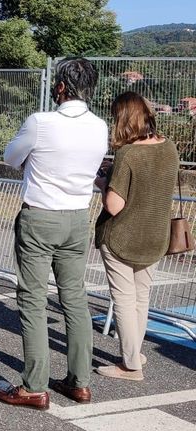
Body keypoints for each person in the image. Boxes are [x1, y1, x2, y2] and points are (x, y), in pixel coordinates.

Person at [0, 58, 107, 410]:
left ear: (59, 87)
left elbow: (11, 158)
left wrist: (34, 161)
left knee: (32, 299)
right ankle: (80, 381)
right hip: (77, 216)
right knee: (74, 298)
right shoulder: (100, 126)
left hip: (40, 215)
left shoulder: (41, 122)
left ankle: (34, 385)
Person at [93, 92, 178, 382]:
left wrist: (103, 182)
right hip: (156, 236)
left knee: (124, 300)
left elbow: (114, 206)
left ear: (123, 118)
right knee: (142, 298)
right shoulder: (170, 148)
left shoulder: (128, 154)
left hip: (123, 238)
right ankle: (135, 352)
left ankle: (130, 365)